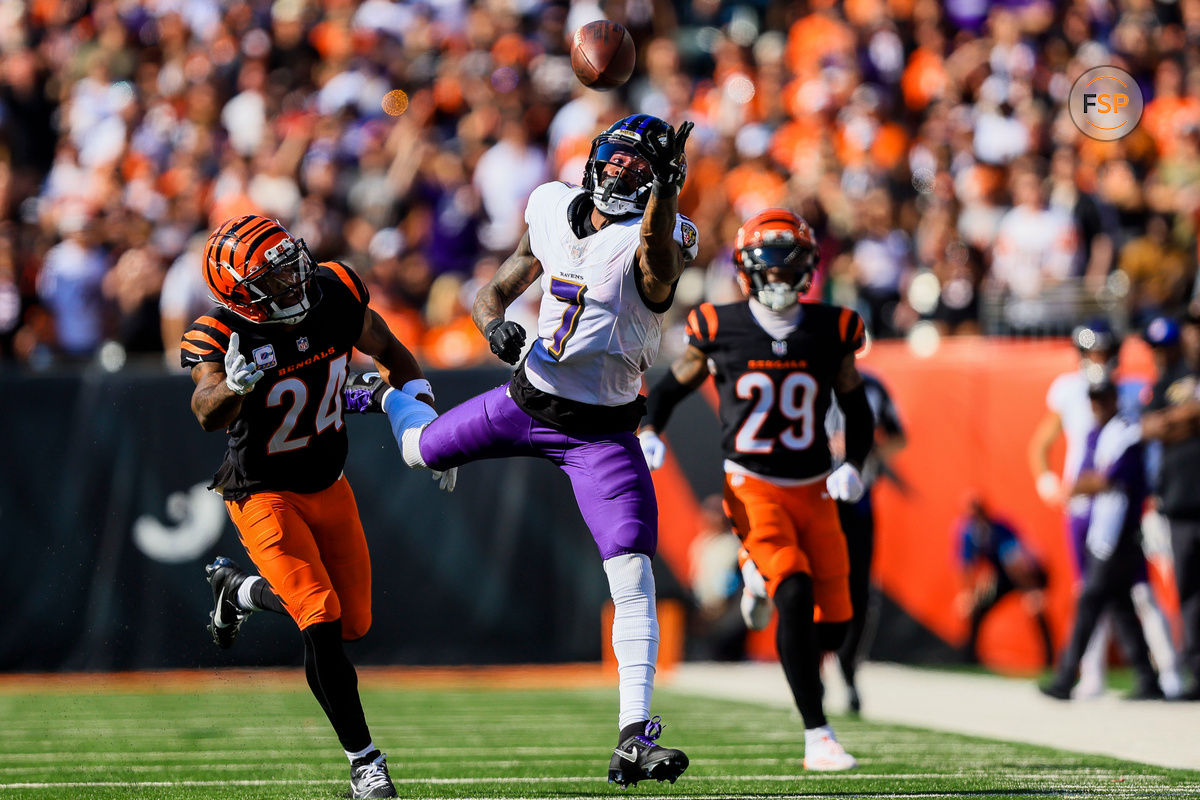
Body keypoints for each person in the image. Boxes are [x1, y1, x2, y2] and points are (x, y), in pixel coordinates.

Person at [345, 114, 697, 788]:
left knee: (632, 574)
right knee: (418, 450)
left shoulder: (653, 235)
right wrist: (492, 324)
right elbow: (495, 289)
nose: (621, 173)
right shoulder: (551, 206)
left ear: (658, 184)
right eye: (615, 160)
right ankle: (388, 396)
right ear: (594, 158)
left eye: (639, 169)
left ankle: (634, 734)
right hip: (524, 401)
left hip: (602, 433)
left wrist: (669, 194)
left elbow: (656, 263)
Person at [182, 214, 439, 799]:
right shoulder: (220, 332)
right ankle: (365, 761)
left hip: (329, 481)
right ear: (239, 294)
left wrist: (425, 423)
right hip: (262, 490)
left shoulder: (335, 290)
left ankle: (239, 592)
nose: (294, 279)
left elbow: (392, 353)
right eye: (273, 277)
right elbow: (205, 409)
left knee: (354, 622)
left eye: (290, 261)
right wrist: (235, 387)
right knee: (319, 616)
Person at [638, 208, 873, 771]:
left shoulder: (832, 328)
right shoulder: (719, 327)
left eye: (788, 266)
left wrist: (854, 463)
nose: (777, 277)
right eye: (767, 266)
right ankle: (818, 734)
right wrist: (649, 428)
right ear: (746, 270)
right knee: (793, 591)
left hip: (815, 486)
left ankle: (753, 571)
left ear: (809, 269)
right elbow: (670, 387)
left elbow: (856, 406)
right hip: (753, 486)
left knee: (837, 623)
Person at [1028, 322, 1181, 698]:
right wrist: (1049, 482)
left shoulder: (1130, 404)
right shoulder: (1069, 391)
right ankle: (1101, 676)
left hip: (1119, 509)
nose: (1097, 404)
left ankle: (1168, 674)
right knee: (1108, 593)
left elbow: (1127, 463)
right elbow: (1041, 444)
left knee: (1124, 593)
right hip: (1085, 512)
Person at [1041, 375, 1164, 701]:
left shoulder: (1126, 434)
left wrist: (1075, 487)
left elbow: (1106, 480)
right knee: (1121, 605)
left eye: (1102, 398)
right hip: (1104, 532)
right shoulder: (1098, 433)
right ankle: (1148, 680)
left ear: (1113, 399)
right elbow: (1091, 477)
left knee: (1090, 600)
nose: (1096, 405)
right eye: (1092, 399)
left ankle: (1065, 678)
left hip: (1120, 533)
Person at [825, 370, 907, 713]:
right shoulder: (806, 372)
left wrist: (869, 450)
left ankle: (847, 666)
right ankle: (813, 673)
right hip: (813, 495)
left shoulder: (872, 386)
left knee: (859, 589)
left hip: (858, 500)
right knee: (809, 583)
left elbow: (899, 437)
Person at [1140, 309, 1200, 700]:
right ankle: (1198, 671)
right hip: (1179, 500)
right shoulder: (1165, 381)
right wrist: (1186, 419)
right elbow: (1148, 427)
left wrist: (1173, 422)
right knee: (1190, 591)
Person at [955, 498, 1053, 667]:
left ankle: (1050, 659)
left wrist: (1031, 591)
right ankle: (969, 658)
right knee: (978, 609)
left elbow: (1016, 563)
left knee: (1036, 610)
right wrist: (970, 595)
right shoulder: (969, 533)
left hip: (1028, 575)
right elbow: (967, 568)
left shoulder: (1000, 529)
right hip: (1002, 576)